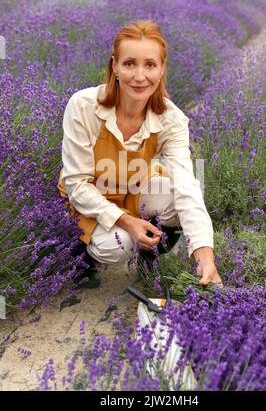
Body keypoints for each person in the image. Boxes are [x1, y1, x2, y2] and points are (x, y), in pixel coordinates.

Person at [57, 19, 223, 289]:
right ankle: (79, 250)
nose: (139, 76)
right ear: (115, 66)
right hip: (89, 194)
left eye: (150, 65)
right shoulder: (84, 105)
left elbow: (187, 188)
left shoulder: (171, 119)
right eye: (129, 63)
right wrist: (126, 221)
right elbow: (77, 184)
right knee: (116, 246)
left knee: (174, 196)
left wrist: (204, 254)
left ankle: (151, 250)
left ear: (161, 70)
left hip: (132, 188)